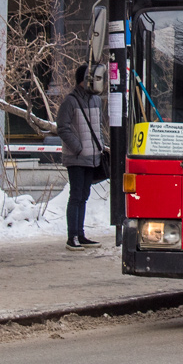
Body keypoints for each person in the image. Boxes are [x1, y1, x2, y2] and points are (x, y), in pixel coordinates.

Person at [56, 64, 104, 251]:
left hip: (91, 157)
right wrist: (78, 148)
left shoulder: (96, 101)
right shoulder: (70, 102)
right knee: (76, 196)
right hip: (76, 157)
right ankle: (72, 236)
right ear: (83, 80)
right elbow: (62, 127)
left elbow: (97, 127)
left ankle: (80, 234)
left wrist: (97, 148)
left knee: (83, 195)